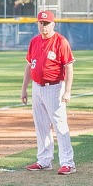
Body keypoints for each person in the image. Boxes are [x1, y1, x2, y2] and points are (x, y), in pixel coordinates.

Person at [21, 10, 77, 175]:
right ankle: (44, 161)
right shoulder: (34, 41)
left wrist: (67, 91)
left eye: (46, 23)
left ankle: (68, 163)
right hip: (37, 88)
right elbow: (29, 65)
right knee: (41, 126)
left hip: (54, 88)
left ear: (53, 24)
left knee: (59, 125)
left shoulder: (61, 41)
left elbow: (69, 67)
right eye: (41, 23)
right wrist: (24, 88)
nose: (43, 26)